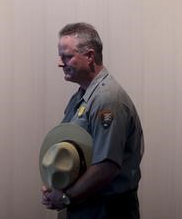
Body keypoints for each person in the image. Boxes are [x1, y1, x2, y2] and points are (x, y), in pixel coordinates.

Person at [41, 22, 144, 219]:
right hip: (86, 207)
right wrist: (54, 183)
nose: (60, 63)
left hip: (107, 211)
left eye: (67, 56)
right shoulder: (82, 95)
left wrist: (64, 196)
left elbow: (106, 167)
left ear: (89, 56)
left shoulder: (107, 100)